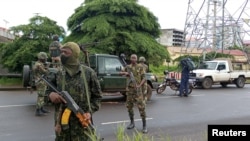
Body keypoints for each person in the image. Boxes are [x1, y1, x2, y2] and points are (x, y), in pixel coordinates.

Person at [47, 42, 102, 141]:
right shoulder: (57, 73)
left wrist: (89, 112)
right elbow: (47, 93)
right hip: (62, 129)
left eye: (66, 52)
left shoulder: (89, 73)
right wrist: (51, 95)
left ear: (75, 54)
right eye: (62, 52)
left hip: (82, 127)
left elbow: (97, 97)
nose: (62, 55)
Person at [120, 54, 148, 133]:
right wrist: (125, 73)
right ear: (130, 58)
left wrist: (139, 85)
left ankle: (144, 125)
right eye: (132, 58)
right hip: (130, 90)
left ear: (137, 59)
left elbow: (144, 77)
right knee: (129, 107)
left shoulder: (140, 67)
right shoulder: (127, 67)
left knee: (141, 107)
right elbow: (120, 73)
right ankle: (132, 123)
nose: (133, 59)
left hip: (137, 90)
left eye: (135, 58)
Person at [33, 52, 50, 116]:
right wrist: (47, 66)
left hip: (41, 81)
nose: (46, 59)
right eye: (45, 58)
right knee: (40, 96)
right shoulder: (39, 65)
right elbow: (45, 72)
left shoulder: (39, 64)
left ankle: (41, 108)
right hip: (40, 82)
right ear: (42, 58)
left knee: (42, 96)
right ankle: (38, 110)